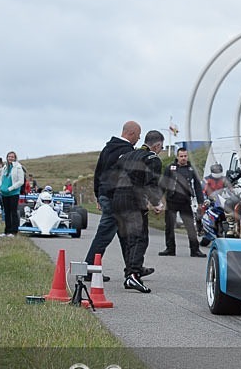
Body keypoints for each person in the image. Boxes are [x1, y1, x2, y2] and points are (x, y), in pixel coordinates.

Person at [82, 121, 142, 282]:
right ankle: (88, 268)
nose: (139, 138)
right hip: (117, 199)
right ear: (131, 133)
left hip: (105, 195)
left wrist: (98, 195)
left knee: (124, 235)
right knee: (104, 235)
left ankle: (133, 268)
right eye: (138, 135)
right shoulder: (127, 151)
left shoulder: (108, 148)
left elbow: (98, 172)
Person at [111, 130, 165, 293]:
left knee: (126, 239)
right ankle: (133, 275)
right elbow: (150, 184)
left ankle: (132, 270)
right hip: (133, 201)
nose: (160, 150)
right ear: (156, 145)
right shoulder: (152, 159)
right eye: (161, 147)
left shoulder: (126, 155)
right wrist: (156, 203)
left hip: (117, 199)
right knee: (139, 238)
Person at [159, 147, 205, 257]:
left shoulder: (191, 169)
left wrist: (200, 202)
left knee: (190, 227)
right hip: (172, 201)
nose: (183, 158)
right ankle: (170, 249)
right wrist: (158, 200)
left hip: (185, 202)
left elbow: (198, 186)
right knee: (169, 226)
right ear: (177, 156)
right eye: (181, 156)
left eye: (185, 156)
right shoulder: (170, 168)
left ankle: (195, 250)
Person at [0, 151, 25, 237]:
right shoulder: (5, 167)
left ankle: (14, 231)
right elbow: (1, 178)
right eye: (9, 156)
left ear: (15, 158)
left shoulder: (18, 167)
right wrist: (0, 186)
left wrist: (11, 188)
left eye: (12, 157)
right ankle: (7, 230)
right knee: (6, 212)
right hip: (4, 193)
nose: (10, 158)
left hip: (13, 193)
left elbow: (21, 181)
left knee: (13, 212)